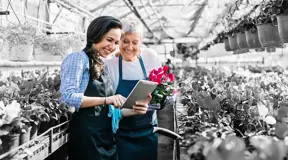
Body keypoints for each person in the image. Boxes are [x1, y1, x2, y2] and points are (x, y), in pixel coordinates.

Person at [59, 16, 151, 160]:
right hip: (87, 140)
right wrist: (107, 99)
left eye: (115, 42)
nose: (113, 46)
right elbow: (68, 97)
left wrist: (134, 110)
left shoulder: (102, 64)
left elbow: (108, 112)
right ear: (96, 34)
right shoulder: (78, 58)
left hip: (106, 138)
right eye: (109, 40)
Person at [106, 17, 162, 160]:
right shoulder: (110, 65)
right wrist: (123, 111)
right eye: (125, 41)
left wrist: (149, 106)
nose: (129, 47)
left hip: (148, 132)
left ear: (141, 42)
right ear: (119, 41)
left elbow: (162, 96)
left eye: (135, 42)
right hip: (121, 134)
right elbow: (105, 106)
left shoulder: (150, 57)